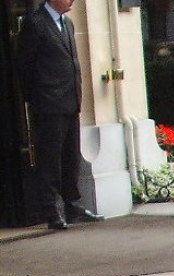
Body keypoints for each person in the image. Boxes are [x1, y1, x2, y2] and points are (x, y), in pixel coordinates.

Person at [15, 0, 103, 230]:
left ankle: (71, 204)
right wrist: (36, 98)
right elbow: (24, 66)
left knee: (70, 157)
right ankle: (51, 209)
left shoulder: (68, 24)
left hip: (70, 101)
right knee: (50, 159)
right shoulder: (35, 24)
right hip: (48, 104)